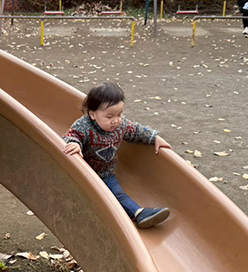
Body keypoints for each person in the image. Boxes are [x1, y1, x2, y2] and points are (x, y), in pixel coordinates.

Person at [62, 82, 172, 228]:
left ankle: (139, 213)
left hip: (105, 174)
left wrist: (154, 138)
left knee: (117, 193)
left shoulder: (121, 125)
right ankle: (134, 214)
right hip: (85, 174)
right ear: (92, 114)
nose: (116, 120)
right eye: (109, 116)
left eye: (119, 114)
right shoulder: (84, 126)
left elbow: (136, 131)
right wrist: (74, 143)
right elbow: (72, 135)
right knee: (107, 196)